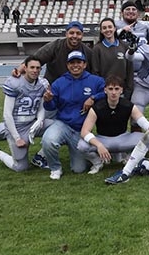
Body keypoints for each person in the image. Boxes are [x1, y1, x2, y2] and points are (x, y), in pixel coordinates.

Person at [40, 50, 106, 180]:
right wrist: (48, 101)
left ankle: (93, 157)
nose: (75, 65)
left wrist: (93, 97)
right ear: (67, 65)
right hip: (63, 124)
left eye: (78, 62)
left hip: (82, 129)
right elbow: (52, 106)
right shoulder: (59, 83)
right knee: (48, 140)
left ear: (85, 64)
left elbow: (106, 92)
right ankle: (55, 168)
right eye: (72, 63)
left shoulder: (95, 81)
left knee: (78, 169)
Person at [76, 75, 149, 174]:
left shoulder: (128, 105)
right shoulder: (97, 108)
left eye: (116, 89)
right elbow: (84, 131)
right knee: (81, 145)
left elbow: (141, 120)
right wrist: (99, 145)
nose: (113, 92)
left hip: (123, 138)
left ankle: (130, 159)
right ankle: (97, 162)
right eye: (110, 89)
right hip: (103, 139)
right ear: (105, 90)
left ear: (121, 90)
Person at [0, 56, 50, 172]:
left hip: (32, 123)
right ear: (25, 68)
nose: (35, 70)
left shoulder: (42, 84)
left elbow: (42, 107)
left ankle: (40, 156)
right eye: (32, 67)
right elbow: (7, 114)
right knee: (20, 167)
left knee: (61, 128)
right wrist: (17, 138)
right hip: (18, 127)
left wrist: (40, 120)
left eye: (38, 68)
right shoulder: (14, 83)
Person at [26, 20, 94, 84]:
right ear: (66, 34)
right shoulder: (54, 46)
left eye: (78, 33)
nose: (75, 36)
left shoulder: (88, 52)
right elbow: (35, 59)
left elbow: (93, 73)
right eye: (71, 33)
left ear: (82, 35)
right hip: (53, 86)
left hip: (77, 86)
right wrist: (20, 70)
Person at [90, 17, 134, 101]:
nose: (107, 30)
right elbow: (95, 72)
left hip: (123, 91)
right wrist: (103, 91)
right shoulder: (97, 48)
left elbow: (129, 70)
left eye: (110, 27)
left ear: (115, 28)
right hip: (105, 92)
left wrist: (128, 90)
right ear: (101, 31)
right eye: (104, 28)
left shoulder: (124, 46)